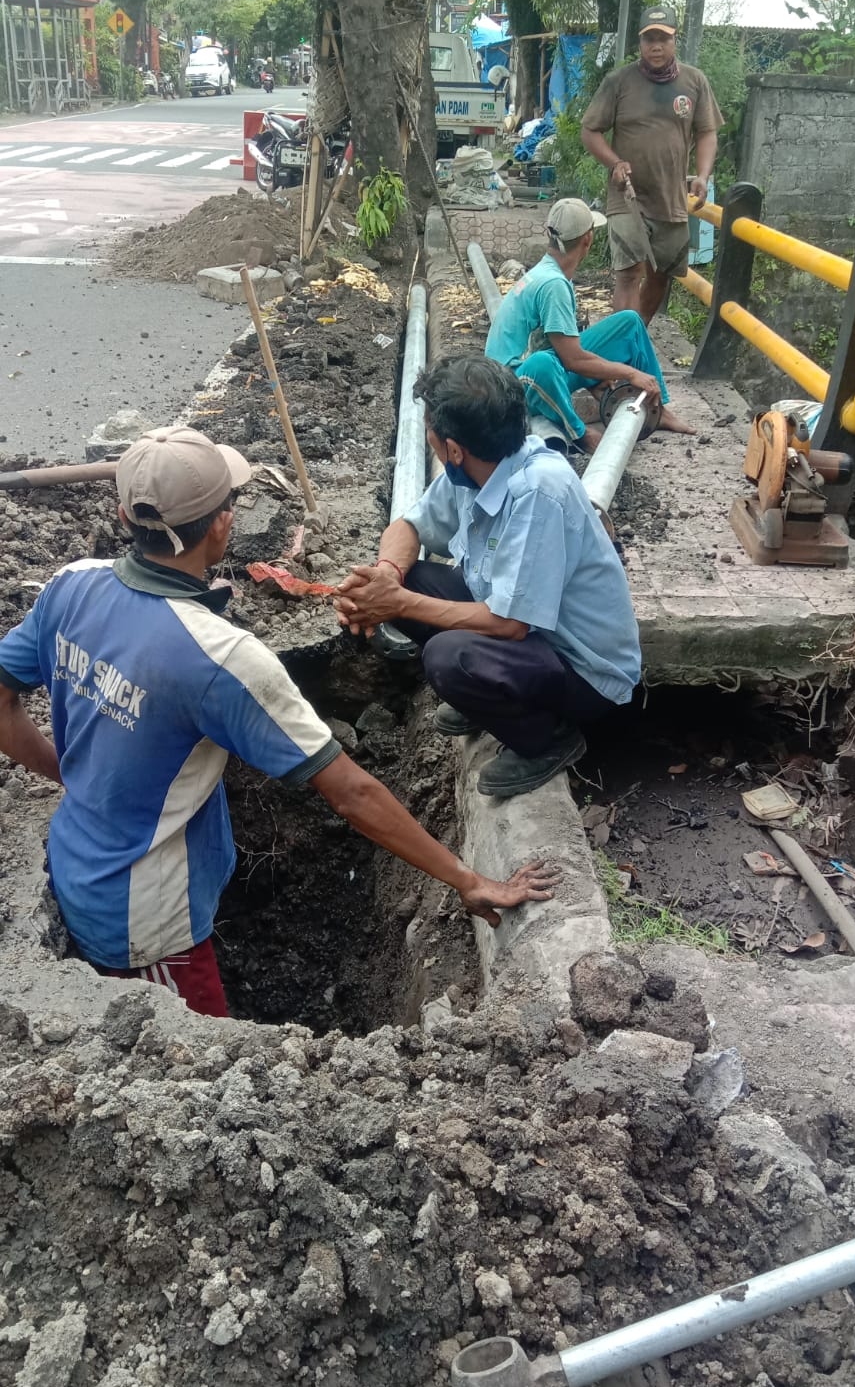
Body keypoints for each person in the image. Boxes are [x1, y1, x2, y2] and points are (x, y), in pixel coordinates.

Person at [0, 428, 556, 1017]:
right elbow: (351, 792)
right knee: (193, 1066)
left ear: (122, 515)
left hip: (81, 861)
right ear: (220, 525)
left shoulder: (70, 585)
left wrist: (74, 777)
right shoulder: (221, 657)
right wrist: (467, 879)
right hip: (144, 921)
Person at [335, 357, 641, 800]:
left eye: (431, 435)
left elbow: (509, 624)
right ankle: (495, 699)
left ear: (453, 449)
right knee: (412, 578)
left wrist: (395, 603)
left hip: (582, 669)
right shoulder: (477, 469)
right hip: (531, 642)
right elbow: (410, 526)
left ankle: (547, 739)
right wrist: (386, 579)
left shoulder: (539, 491)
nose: (430, 442)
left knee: (448, 657)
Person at [486, 197, 694, 446]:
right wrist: (630, 372)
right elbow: (573, 359)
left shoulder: (551, 273)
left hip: (544, 365)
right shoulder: (552, 284)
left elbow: (567, 352)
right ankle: (579, 434)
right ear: (588, 239)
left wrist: (599, 373)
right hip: (514, 385)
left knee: (629, 322)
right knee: (543, 364)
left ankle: (657, 409)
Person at [581, 5, 724, 323]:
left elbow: (707, 133)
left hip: (670, 198)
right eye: (649, 39)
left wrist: (702, 176)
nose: (656, 46)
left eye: (663, 38)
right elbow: (590, 131)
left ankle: (636, 336)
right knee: (628, 273)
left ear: (675, 41)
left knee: (661, 276)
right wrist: (614, 162)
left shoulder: (694, 82)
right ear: (640, 43)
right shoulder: (619, 82)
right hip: (627, 196)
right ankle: (622, 350)